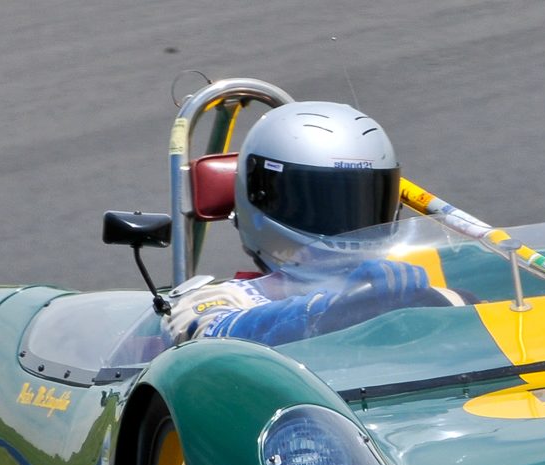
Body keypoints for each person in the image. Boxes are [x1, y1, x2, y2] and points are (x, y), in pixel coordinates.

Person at [164, 100, 432, 346]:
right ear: (261, 196)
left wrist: (439, 301)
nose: (346, 223)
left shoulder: (399, 289)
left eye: (360, 201)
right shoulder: (225, 299)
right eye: (324, 204)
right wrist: (334, 308)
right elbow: (212, 342)